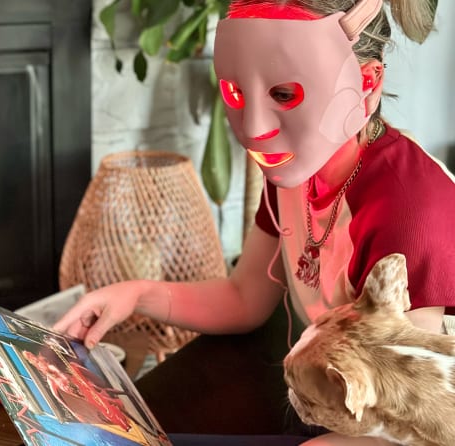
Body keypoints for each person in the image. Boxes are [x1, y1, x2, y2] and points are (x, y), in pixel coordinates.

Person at [54, 0, 453, 445]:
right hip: (318, 411)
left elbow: (417, 426)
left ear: (367, 82)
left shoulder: (411, 213)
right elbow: (246, 297)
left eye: (284, 95)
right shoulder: (295, 168)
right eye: (236, 94)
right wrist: (134, 294)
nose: (253, 127)